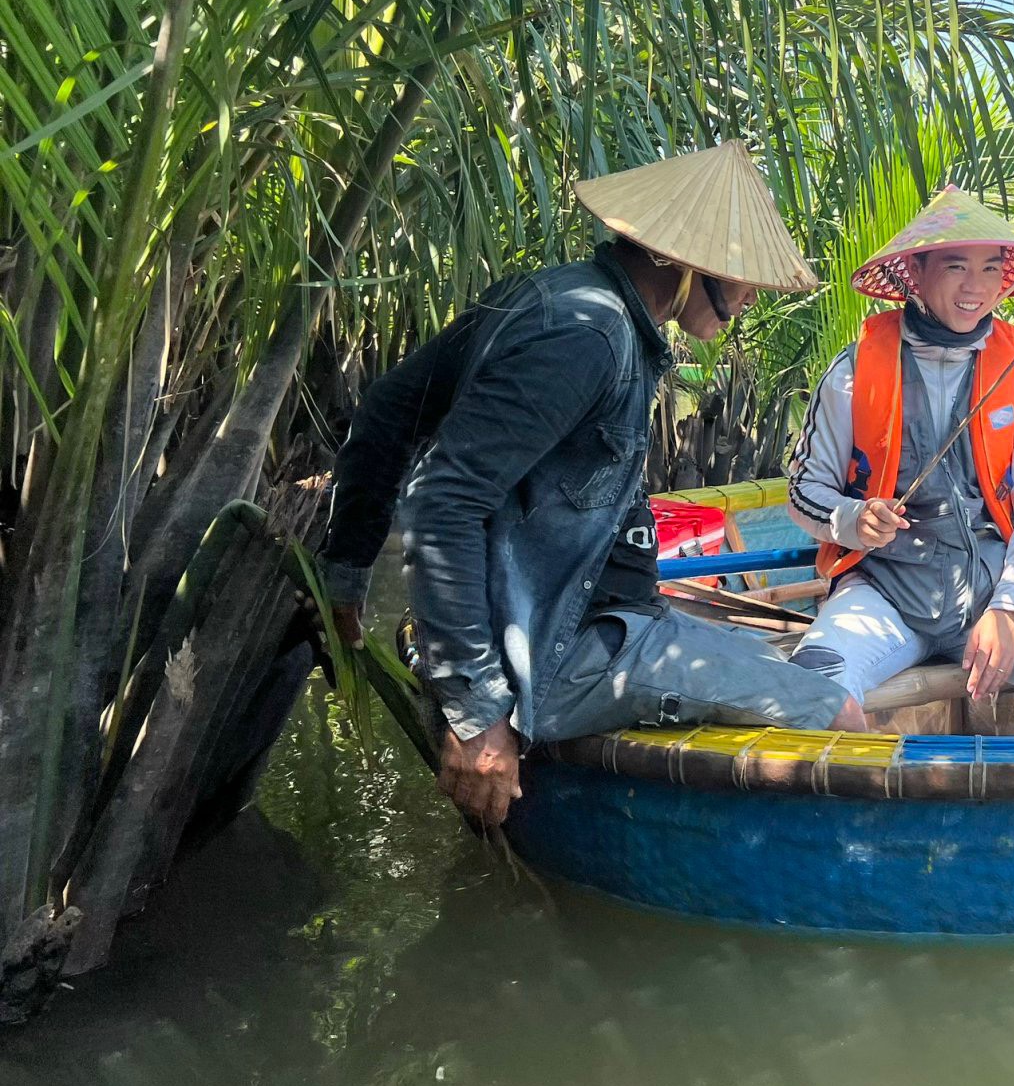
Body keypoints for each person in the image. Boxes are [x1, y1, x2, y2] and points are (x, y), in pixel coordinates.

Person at [318, 142, 862, 827]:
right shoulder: (588, 337)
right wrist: (478, 711)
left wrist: (345, 576)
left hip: (600, 623)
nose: (753, 296)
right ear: (684, 261)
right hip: (552, 657)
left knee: (781, 661)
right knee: (836, 708)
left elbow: (388, 409)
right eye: (744, 274)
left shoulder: (556, 296)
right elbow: (443, 499)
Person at [786, 188, 1014, 735]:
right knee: (815, 682)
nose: (976, 287)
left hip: (992, 588)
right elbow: (804, 491)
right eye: (956, 267)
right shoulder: (853, 372)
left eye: (991, 269)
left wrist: (1012, 609)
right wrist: (852, 520)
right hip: (883, 591)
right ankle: (881, 807)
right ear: (915, 272)